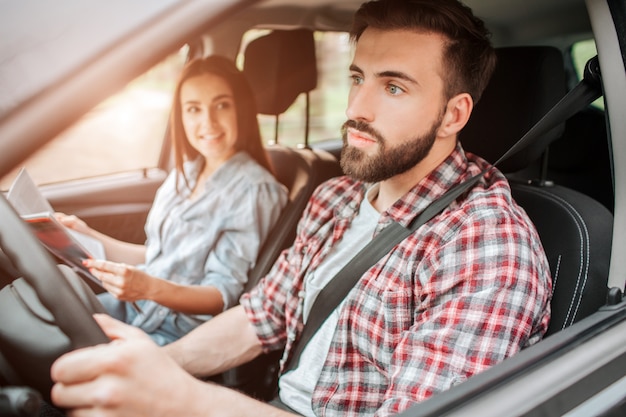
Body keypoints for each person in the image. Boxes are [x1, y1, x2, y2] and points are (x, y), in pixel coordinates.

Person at [50, 0, 552, 415]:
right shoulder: (335, 199)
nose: (357, 107)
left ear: (453, 114)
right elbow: (259, 317)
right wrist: (154, 362)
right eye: (358, 77)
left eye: (394, 87)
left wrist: (181, 400)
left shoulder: (486, 245)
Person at [55, 56, 288, 346]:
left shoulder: (255, 190)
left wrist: (149, 288)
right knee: (44, 321)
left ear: (241, 109)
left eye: (221, 105)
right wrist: (85, 233)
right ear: (181, 115)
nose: (208, 122)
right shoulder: (185, 173)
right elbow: (157, 256)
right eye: (193, 109)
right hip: (138, 310)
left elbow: (220, 296)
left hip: (175, 334)